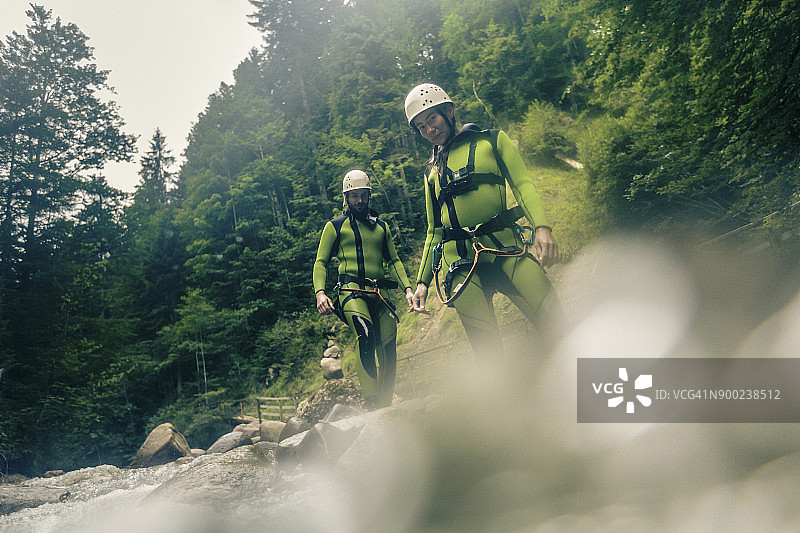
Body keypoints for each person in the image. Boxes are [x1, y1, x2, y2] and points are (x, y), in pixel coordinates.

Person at [404, 83, 564, 354]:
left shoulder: (493, 140)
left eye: (432, 119)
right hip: (460, 264)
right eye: (421, 127)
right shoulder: (431, 173)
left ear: (449, 111)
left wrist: (542, 228)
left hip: (507, 248)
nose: (429, 130)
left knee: (557, 324)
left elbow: (523, 185)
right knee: (487, 352)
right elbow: (434, 231)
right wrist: (422, 283)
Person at [313, 170, 415, 409]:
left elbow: (394, 261)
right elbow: (320, 262)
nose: (359, 200)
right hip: (350, 293)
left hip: (380, 294)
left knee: (388, 345)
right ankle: (371, 403)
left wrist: (408, 289)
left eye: (363, 195)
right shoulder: (334, 227)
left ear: (369, 196)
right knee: (366, 335)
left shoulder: (382, 228)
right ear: (346, 198)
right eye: (354, 196)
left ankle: (385, 404)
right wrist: (320, 293)